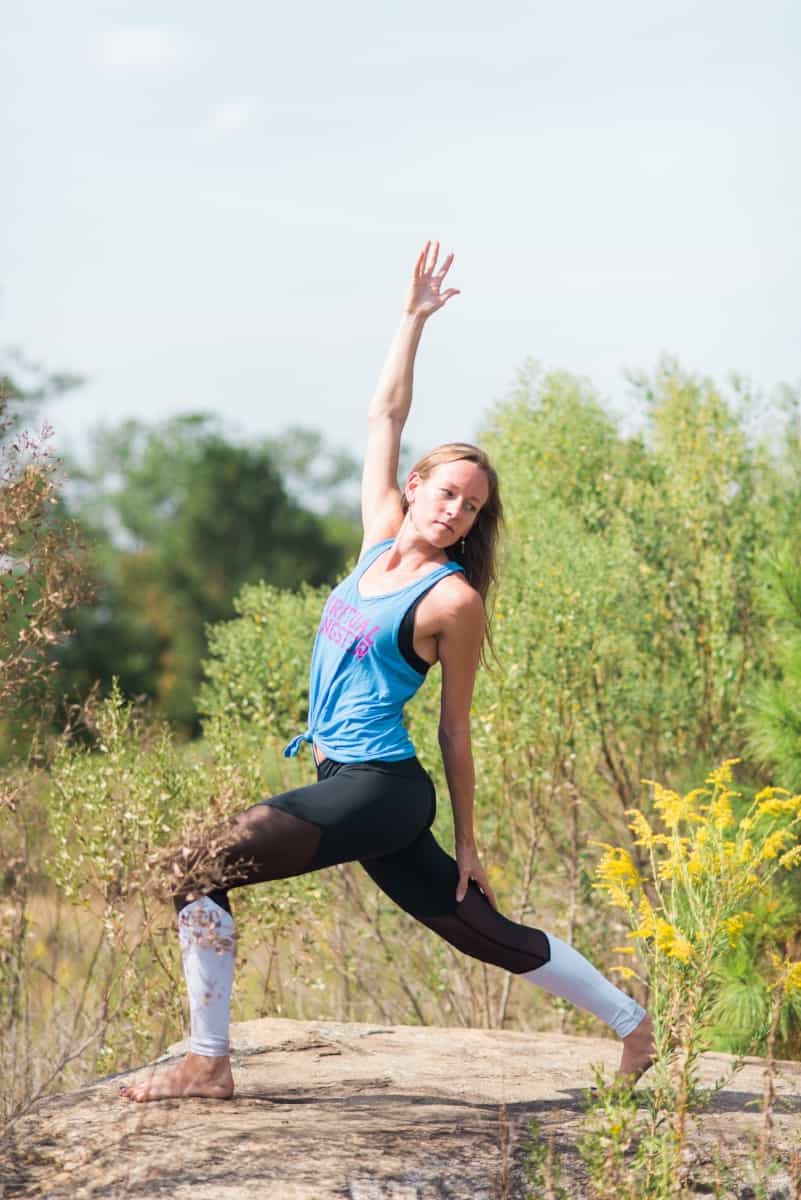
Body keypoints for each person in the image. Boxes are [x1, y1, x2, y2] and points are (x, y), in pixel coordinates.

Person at [121, 242, 653, 1102]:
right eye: (447, 493)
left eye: (471, 507)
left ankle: (206, 1060)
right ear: (415, 486)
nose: (455, 512)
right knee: (478, 932)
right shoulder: (376, 534)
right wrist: (410, 321)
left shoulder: (453, 602)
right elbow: (382, 415)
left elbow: (454, 727)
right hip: (351, 782)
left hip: (381, 787)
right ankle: (634, 1025)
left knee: (196, 863)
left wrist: (472, 842)